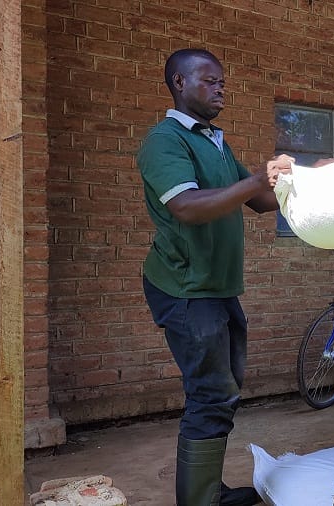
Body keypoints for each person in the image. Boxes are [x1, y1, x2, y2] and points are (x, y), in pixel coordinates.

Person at [137, 48, 291, 506]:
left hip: (216, 287)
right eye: (209, 81)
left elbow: (259, 201)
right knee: (210, 394)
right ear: (179, 83)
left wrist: (307, 181)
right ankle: (200, 500)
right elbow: (186, 207)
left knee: (222, 392)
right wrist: (257, 179)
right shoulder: (165, 141)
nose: (220, 89)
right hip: (186, 288)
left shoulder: (214, 141)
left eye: (222, 81)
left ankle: (208, 491)